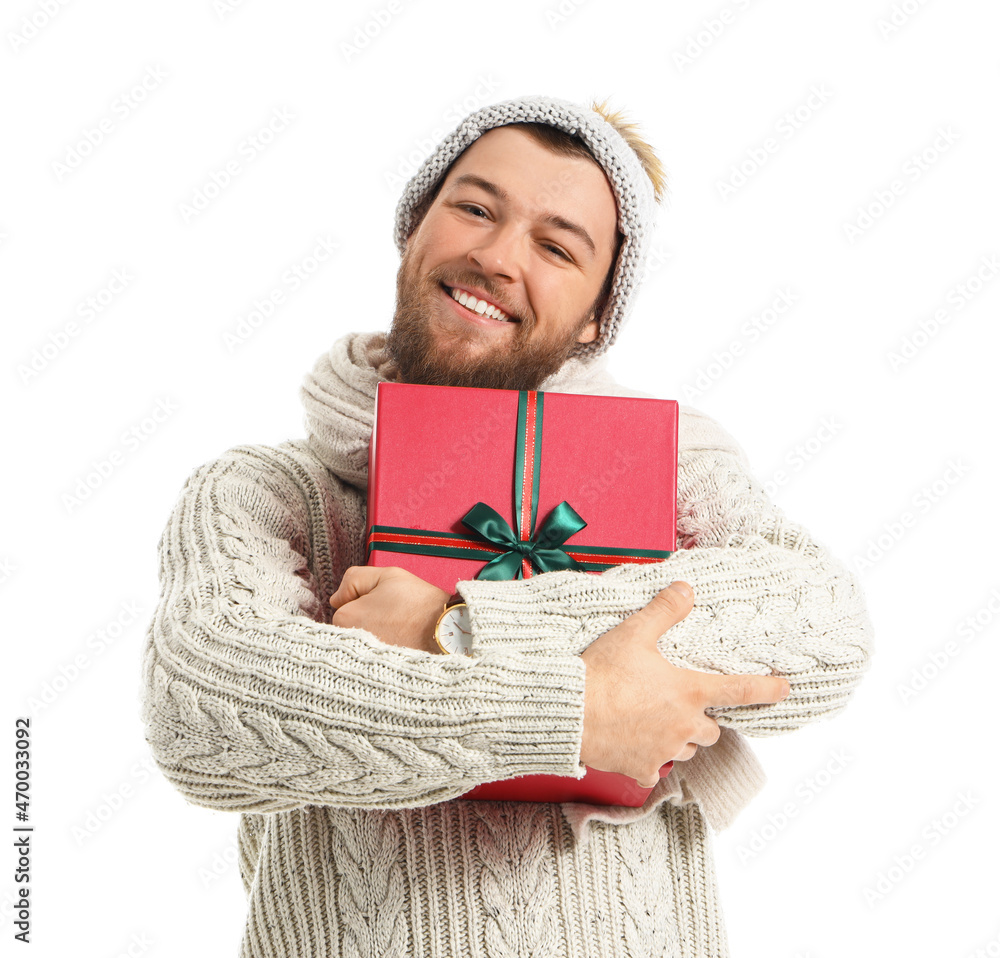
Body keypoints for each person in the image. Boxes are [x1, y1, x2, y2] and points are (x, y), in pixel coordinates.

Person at [140, 96, 872, 958]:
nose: (495, 256)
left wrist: (453, 628)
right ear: (414, 229)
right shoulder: (268, 488)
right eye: (476, 209)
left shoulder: (663, 466)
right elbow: (201, 712)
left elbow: (823, 624)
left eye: (556, 246)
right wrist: (579, 710)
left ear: (598, 318)